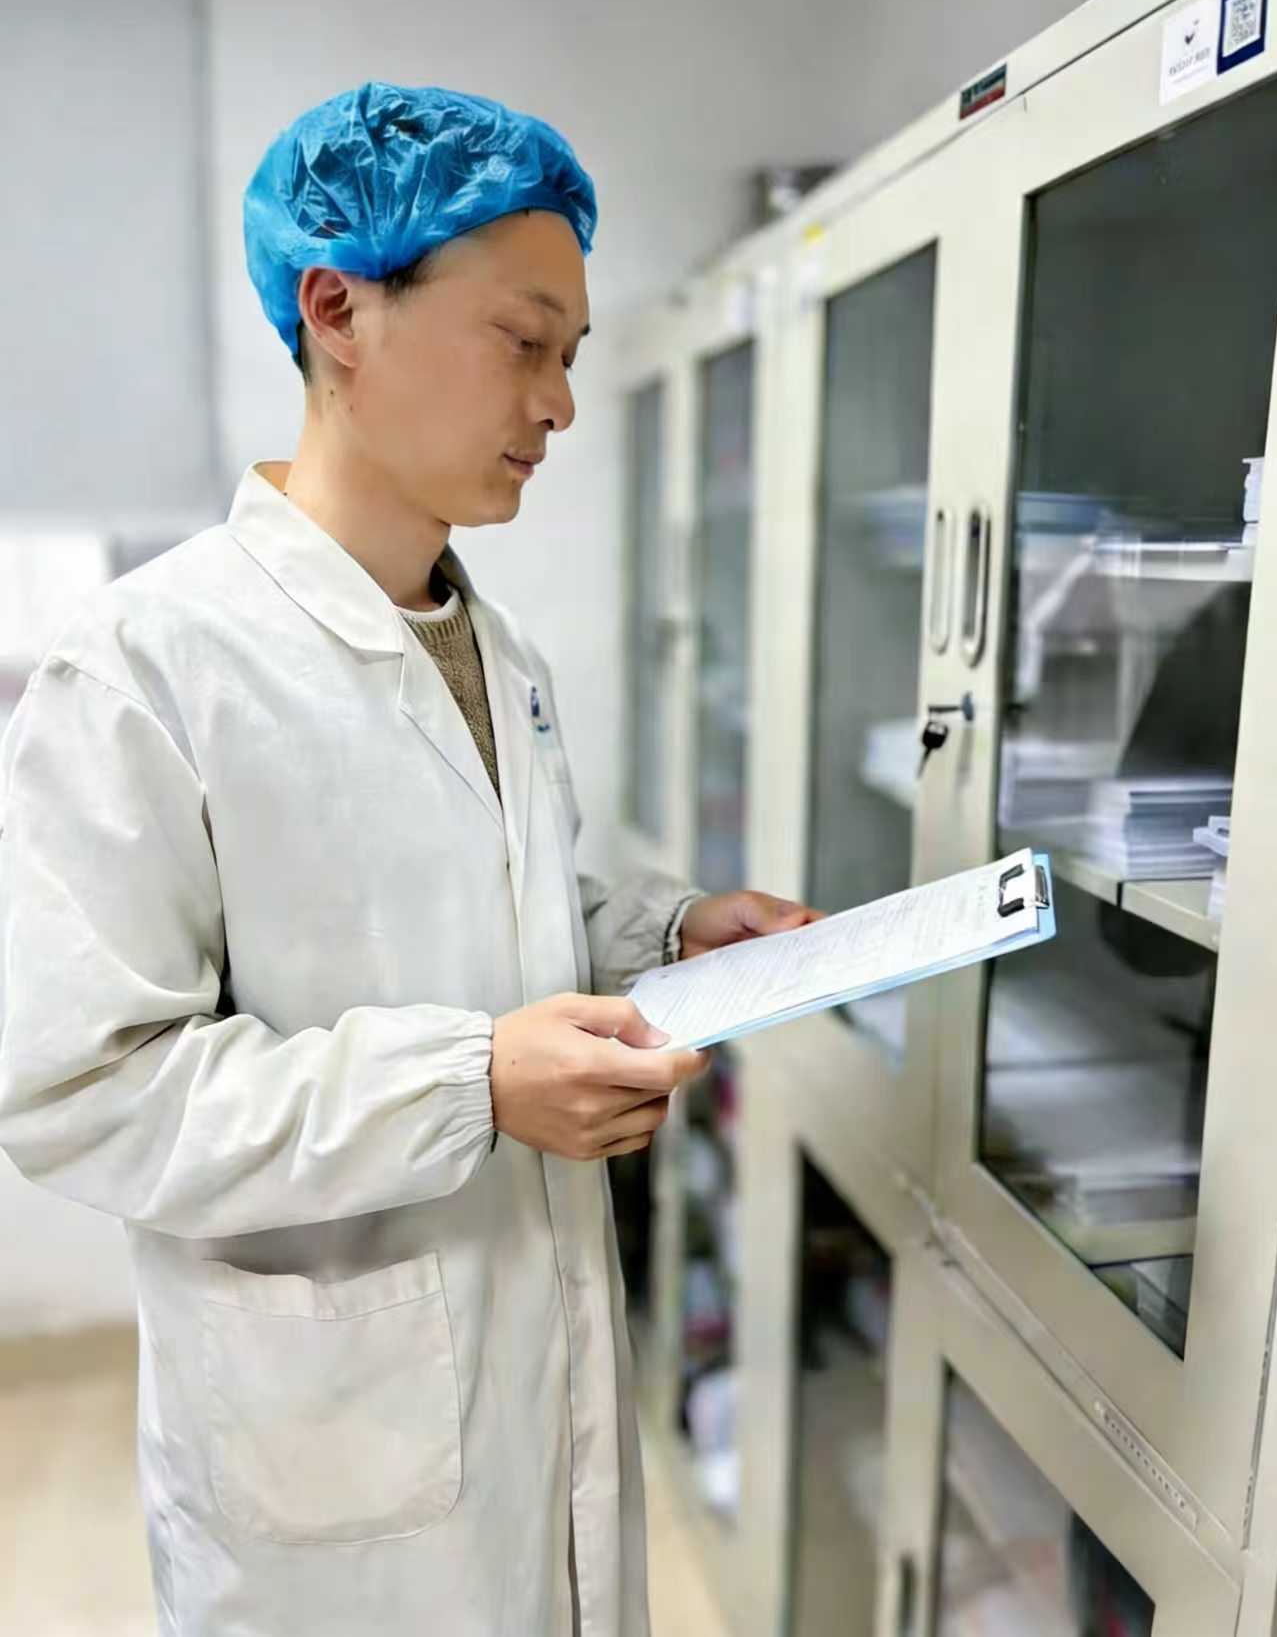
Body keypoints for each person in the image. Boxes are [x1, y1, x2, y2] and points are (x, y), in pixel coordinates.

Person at [0, 83, 819, 1637]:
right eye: (524, 341)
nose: (560, 404)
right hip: (328, 1463)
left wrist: (663, 938)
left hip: (539, 1373)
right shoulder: (147, 667)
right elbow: (86, 1089)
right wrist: (469, 1085)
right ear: (338, 311)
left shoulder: (493, 650)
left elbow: (476, 920)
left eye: (571, 355)